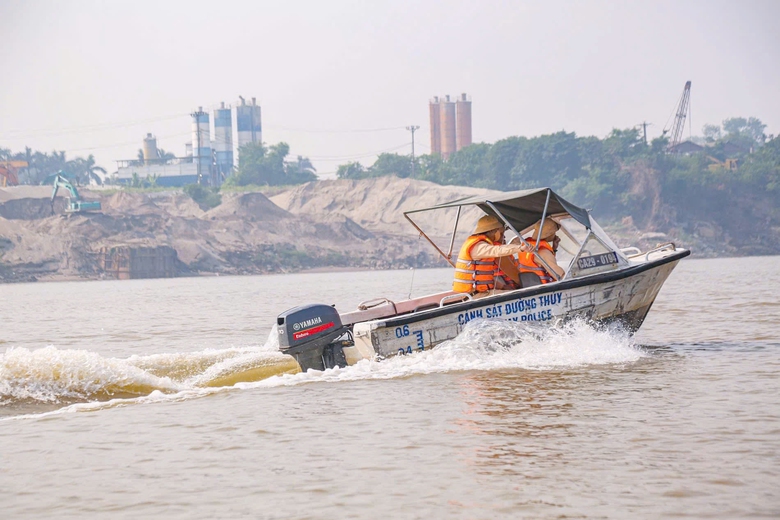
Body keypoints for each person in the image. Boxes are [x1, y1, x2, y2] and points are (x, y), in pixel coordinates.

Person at [452, 214, 527, 296]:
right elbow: (496, 250)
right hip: (476, 295)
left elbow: (481, 278)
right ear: (493, 231)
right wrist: (520, 248)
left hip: (480, 292)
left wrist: (503, 286)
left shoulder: (482, 244)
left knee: (511, 292)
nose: (503, 236)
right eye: (500, 232)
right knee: (517, 295)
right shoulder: (478, 247)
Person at [515, 219, 565, 284]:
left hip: (531, 287)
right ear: (550, 234)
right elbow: (559, 276)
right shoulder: (543, 252)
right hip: (546, 289)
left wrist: (554, 248)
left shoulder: (528, 246)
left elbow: (545, 262)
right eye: (554, 232)